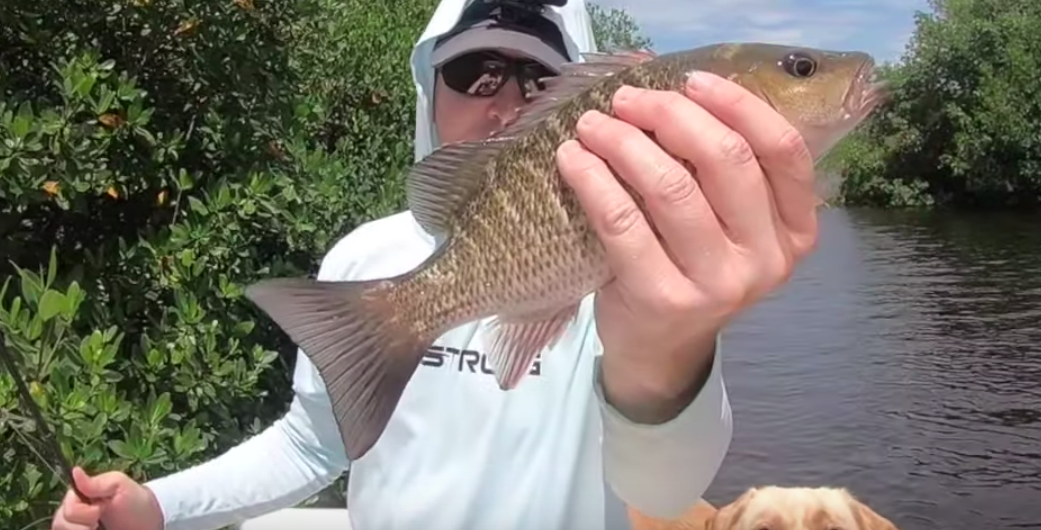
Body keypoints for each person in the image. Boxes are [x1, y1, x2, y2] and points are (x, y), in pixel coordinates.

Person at [51, 0, 823, 528]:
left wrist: (666, 349)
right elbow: (314, 443)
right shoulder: (365, 256)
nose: (506, 98)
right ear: (429, 91)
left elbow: (665, 486)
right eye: (476, 72)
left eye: (539, 80)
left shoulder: (646, 266)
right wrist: (160, 504)